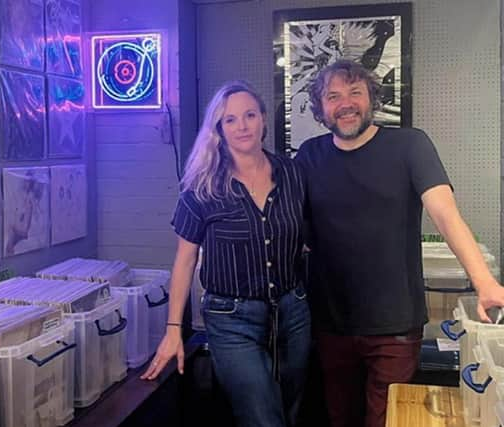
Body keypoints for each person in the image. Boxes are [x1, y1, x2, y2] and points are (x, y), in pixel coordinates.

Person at [294, 59, 504, 427]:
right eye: (333, 96)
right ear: (320, 107)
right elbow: (289, 226)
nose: (345, 103)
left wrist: (485, 283)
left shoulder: (410, 144)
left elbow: (445, 214)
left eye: (355, 92)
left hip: (395, 325)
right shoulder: (309, 156)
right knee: (338, 418)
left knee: (384, 420)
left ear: (372, 97)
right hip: (331, 323)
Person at [141, 80, 310, 427]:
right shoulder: (202, 186)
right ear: (218, 129)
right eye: (230, 120)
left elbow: (308, 237)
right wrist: (174, 329)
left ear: (263, 119)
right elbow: (185, 261)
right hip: (232, 318)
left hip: (293, 313)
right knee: (264, 418)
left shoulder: (293, 174)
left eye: (249, 115)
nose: (242, 125)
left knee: (293, 412)